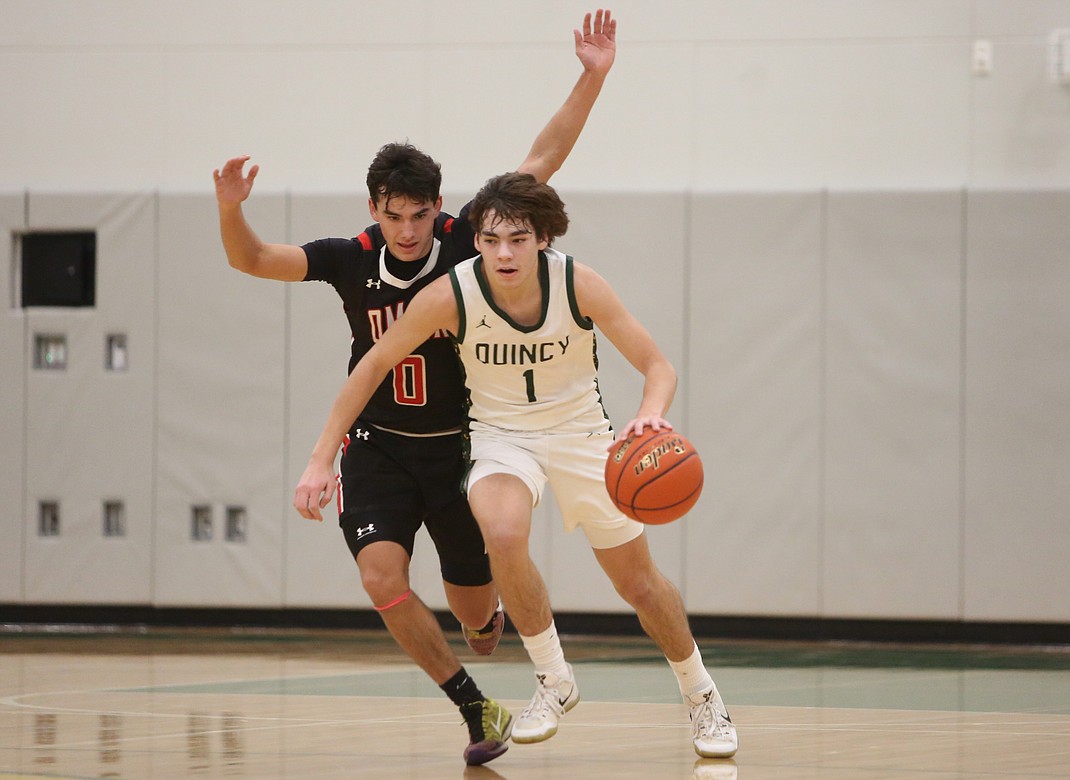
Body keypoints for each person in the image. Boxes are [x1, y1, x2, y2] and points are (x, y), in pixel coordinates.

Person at [214, 11, 617, 767]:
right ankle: (473, 705)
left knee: (476, 614)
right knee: (381, 578)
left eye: (420, 215)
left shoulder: (472, 239)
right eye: (393, 215)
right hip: (378, 448)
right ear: (374, 208)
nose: (407, 230)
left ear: (439, 210)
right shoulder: (347, 258)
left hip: (464, 450)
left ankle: (486, 625)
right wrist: (231, 209)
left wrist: (591, 75)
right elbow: (254, 260)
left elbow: (544, 156)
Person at [295, 172, 739, 760]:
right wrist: (321, 457)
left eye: (519, 239)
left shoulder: (578, 283)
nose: (504, 253)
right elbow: (373, 364)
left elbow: (658, 366)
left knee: (639, 584)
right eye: (491, 239)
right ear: (475, 239)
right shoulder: (450, 294)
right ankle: (553, 679)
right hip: (501, 438)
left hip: (582, 434)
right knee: (502, 533)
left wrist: (650, 416)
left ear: (543, 239)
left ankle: (701, 693)